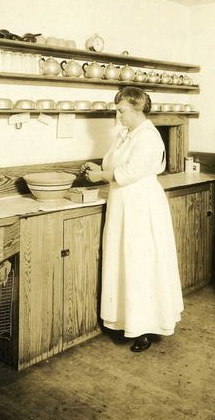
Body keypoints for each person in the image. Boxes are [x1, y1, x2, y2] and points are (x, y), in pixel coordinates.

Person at [81, 86, 184, 352]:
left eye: (122, 111)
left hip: (141, 205)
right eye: (118, 110)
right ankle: (126, 321)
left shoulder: (148, 137)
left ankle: (144, 329)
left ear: (138, 109)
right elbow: (115, 166)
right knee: (125, 261)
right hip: (123, 203)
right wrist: (99, 169)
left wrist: (102, 176)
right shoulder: (126, 134)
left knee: (141, 264)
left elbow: (131, 171)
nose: (119, 116)